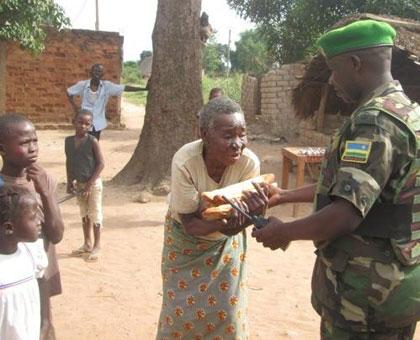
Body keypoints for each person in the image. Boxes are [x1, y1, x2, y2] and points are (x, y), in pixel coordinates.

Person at [249, 19, 420, 339]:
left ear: (355, 64)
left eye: (334, 68)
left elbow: (345, 214)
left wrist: (284, 231)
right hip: (396, 286)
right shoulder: (407, 111)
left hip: (365, 295)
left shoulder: (375, 123)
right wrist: (284, 196)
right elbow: (355, 188)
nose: (330, 79)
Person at [156, 96, 264, 339]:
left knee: (227, 311)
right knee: (179, 313)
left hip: (226, 245)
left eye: (242, 135)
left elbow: (248, 216)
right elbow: (190, 223)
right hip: (185, 243)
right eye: (228, 136)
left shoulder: (248, 164)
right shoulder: (185, 161)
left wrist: (253, 215)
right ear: (203, 134)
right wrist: (225, 225)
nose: (238, 144)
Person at [0, 114, 64, 340]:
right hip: (9, 276)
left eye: (35, 140)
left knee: (43, 328)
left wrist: (45, 193)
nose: (33, 148)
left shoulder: (44, 180)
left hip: (41, 272)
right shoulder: (2, 188)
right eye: (24, 143)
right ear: (3, 149)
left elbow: (56, 234)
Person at [0, 186, 48, 340]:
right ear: (9, 228)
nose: (40, 221)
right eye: (33, 217)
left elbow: (42, 281)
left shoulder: (31, 252)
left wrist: (45, 322)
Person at [67, 63, 148, 140]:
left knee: (94, 144)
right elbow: (69, 92)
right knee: (82, 143)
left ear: (102, 75)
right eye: (95, 71)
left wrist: (144, 89)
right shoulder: (83, 85)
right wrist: (76, 108)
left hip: (97, 122)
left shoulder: (107, 86)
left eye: (99, 71)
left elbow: (124, 88)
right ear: (90, 72)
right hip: (83, 122)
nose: (97, 73)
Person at [65, 110, 105, 262]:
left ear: (91, 126)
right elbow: (69, 162)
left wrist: (89, 185)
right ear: (73, 122)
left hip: (92, 184)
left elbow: (101, 164)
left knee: (95, 214)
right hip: (80, 184)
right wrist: (70, 182)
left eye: (87, 124)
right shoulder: (68, 141)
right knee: (84, 213)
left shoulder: (92, 141)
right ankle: (87, 243)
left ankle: (97, 245)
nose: (83, 126)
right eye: (80, 122)